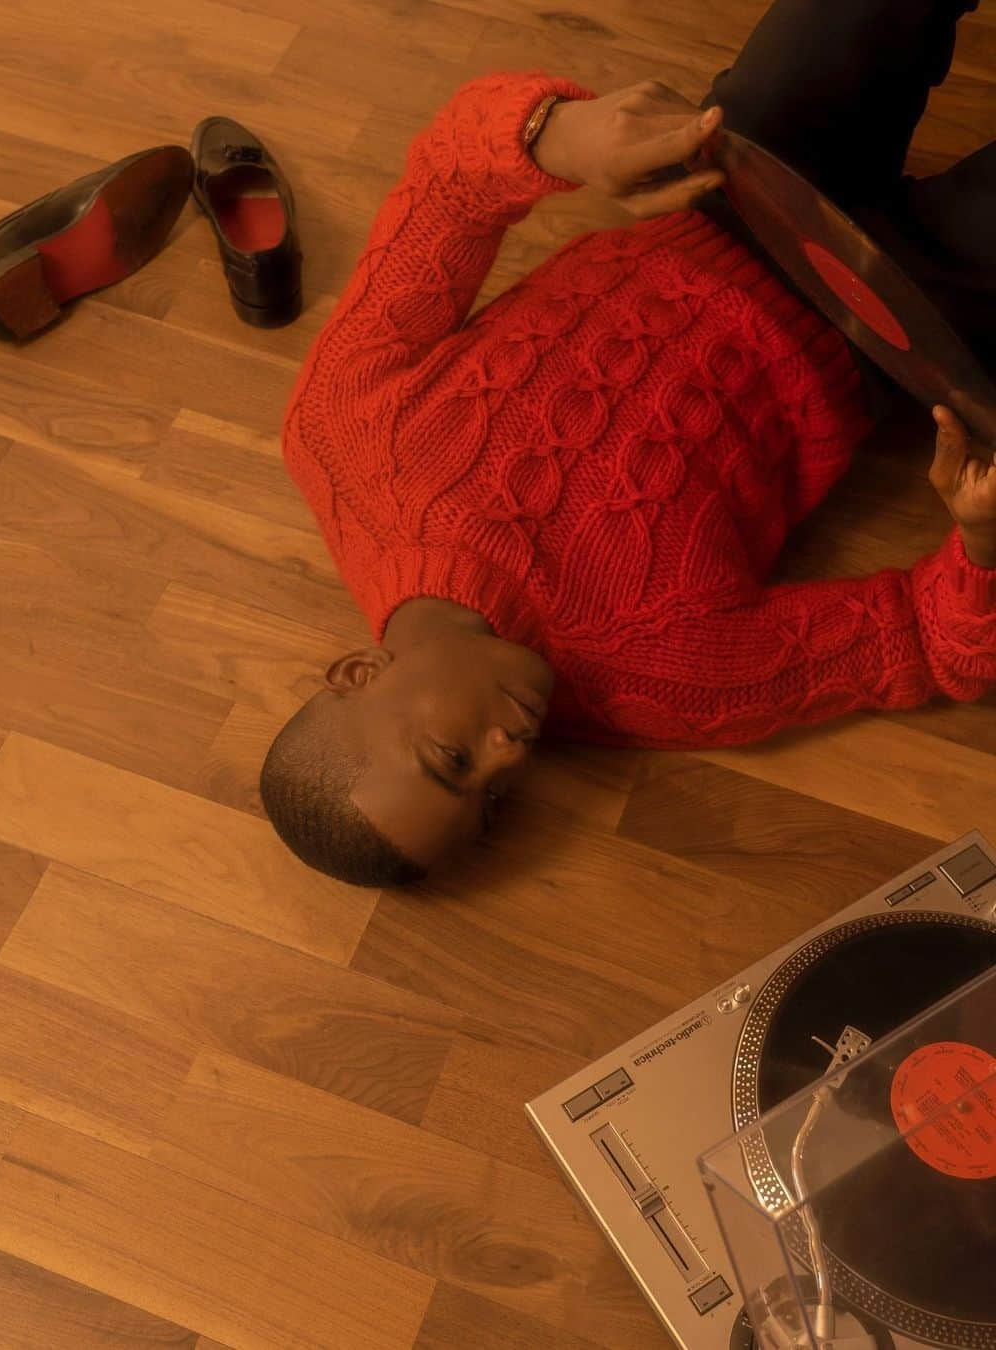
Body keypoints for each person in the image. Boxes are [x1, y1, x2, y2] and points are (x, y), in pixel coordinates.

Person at [260, 0, 996, 887]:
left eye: (452, 760)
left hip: (739, 177)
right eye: (494, 802)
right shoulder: (666, 680)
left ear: (353, 673)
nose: (509, 755)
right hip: (908, 324)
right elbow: (919, 644)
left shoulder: (340, 437)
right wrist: (982, 545)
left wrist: (562, 136)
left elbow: (450, 178)